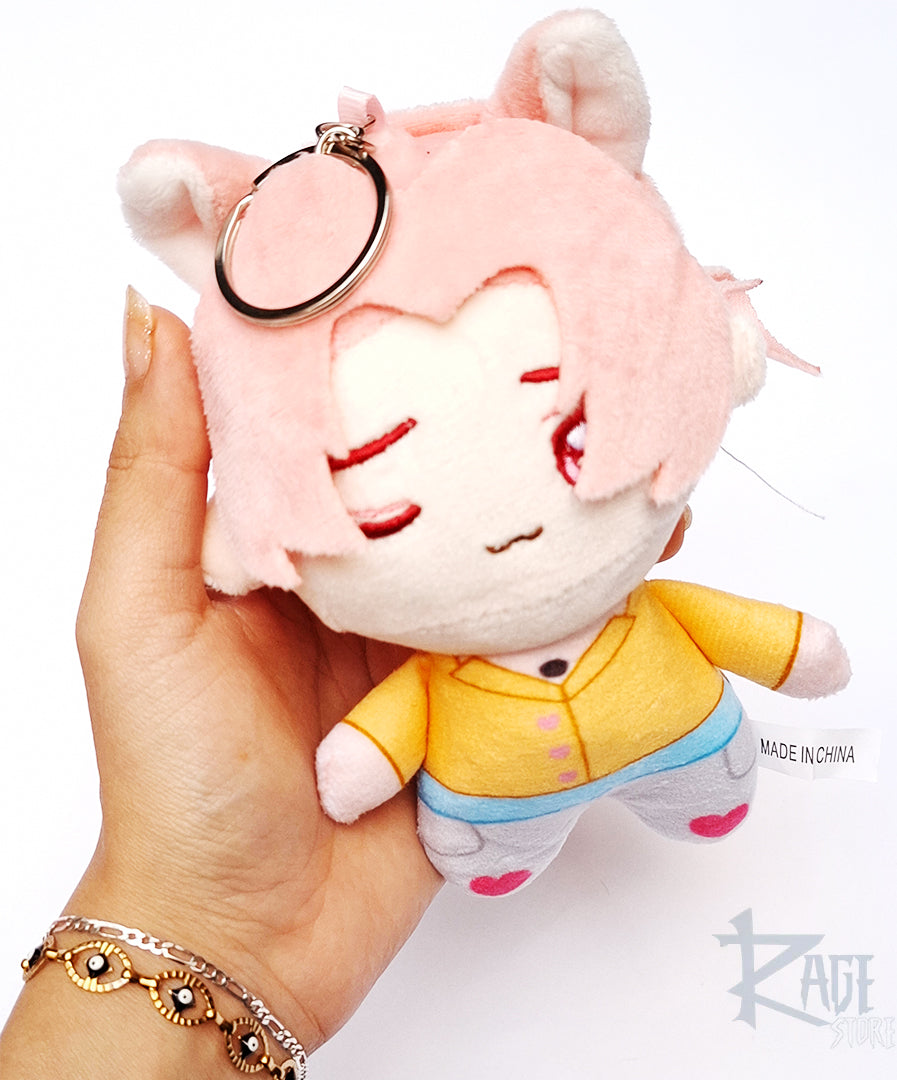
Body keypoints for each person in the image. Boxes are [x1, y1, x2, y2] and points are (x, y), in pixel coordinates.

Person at [0, 291, 689, 1075]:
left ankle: (693, 785)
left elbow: (753, 636)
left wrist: (202, 927)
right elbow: (367, 748)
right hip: (475, 788)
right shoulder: (417, 670)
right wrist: (202, 923)